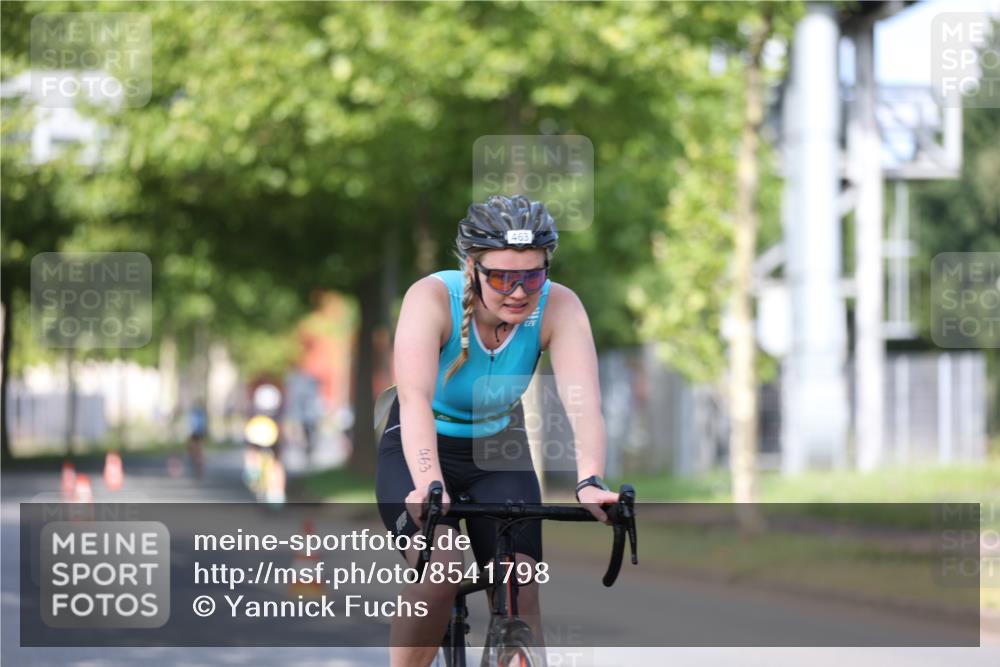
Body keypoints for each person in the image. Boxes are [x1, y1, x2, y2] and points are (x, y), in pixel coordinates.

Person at [375, 194, 619, 667]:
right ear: (473, 267)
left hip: (498, 448)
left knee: (521, 587)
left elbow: (584, 403)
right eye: (504, 277)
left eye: (533, 275)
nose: (519, 291)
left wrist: (590, 478)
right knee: (441, 568)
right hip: (420, 442)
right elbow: (415, 401)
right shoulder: (430, 299)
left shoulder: (559, 307)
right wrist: (429, 483)